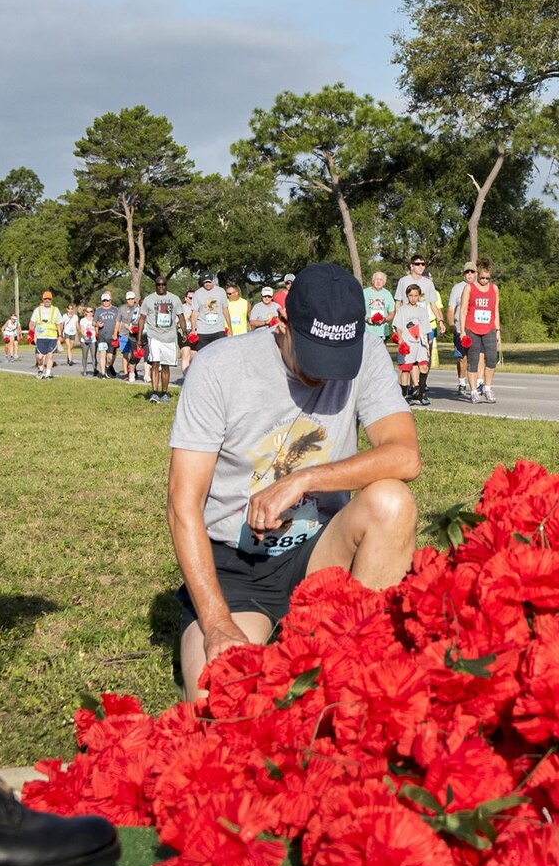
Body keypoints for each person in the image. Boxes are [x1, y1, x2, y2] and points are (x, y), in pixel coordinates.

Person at [167, 262, 418, 700]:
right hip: (237, 568)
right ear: (280, 323)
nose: (324, 375)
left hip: (319, 551)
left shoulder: (368, 353)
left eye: (337, 360)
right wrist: (218, 624)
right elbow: (182, 505)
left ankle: (359, 652)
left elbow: (405, 455)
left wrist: (305, 479)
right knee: (221, 697)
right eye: (313, 356)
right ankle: (245, 629)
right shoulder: (218, 368)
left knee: (392, 501)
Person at [460, 259, 503, 404]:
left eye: (487, 278)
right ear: (478, 275)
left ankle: (487, 387)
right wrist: (462, 331)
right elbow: (464, 310)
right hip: (472, 329)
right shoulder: (469, 288)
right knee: (473, 360)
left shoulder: (494, 289)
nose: (484, 281)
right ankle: (473, 391)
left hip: (489, 328)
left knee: (491, 359)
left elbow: (495, 310)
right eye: (482, 278)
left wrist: (498, 330)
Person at [391, 283, 435, 406]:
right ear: (407, 296)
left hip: (420, 343)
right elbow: (398, 327)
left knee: (423, 367)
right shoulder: (402, 310)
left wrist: (426, 345)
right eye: (410, 296)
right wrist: (400, 340)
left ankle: (421, 393)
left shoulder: (422, 311)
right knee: (406, 370)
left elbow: (426, 329)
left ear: (419, 296)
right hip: (407, 343)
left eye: (416, 296)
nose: (413, 298)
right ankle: (404, 395)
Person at [142, 275, 183, 403]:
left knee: (165, 366)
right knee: (155, 363)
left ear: (166, 285)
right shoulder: (149, 299)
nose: (161, 287)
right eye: (158, 285)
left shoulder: (174, 299)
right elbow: (141, 319)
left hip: (169, 337)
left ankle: (164, 393)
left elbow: (180, 316)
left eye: (163, 284)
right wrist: (139, 338)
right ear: (155, 286)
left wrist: (185, 331)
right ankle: (154, 393)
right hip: (154, 336)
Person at [447, 265, 476, 399]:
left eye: (472, 271)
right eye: (467, 272)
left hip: (476, 328)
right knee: (462, 358)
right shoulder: (457, 288)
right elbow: (451, 308)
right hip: (460, 328)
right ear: (463, 274)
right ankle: (462, 382)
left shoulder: (480, 287)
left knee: (476, 358)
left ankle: (477, 384)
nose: (469, 274)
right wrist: (451, 324)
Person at [30, 291, 64, 379]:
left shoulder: (55, 310)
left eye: (49, 299)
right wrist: (31, 334)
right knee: (40, 357)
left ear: (51, 300)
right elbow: (32, 322)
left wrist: (60, 335)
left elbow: (59, 323)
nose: (47, 300)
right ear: (43, 299)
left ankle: (48, 373)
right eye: (45, 299)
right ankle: (41, 369)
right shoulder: (37, 310)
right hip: (41, 337)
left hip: (52, 337)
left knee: (50, 355)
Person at [363, 270, 395, 353]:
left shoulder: (387, 294)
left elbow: (392, 313)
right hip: (367, 331)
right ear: (373, 281)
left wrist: (384, 319)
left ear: (384, 282)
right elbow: (358, 312)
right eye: (376, 279)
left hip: (382, 332)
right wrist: (367, 319)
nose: (378, 282)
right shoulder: (364, 293)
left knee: (380, 356)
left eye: (381, 280)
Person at [94, 292, 121, 378]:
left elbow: (119, 322)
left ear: (110, 300)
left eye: (107, 300)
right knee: (102, 354)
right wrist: (97, 324)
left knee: (110, 357)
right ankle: (102, 373)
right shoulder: (98, 310)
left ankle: (107, 367)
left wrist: (117, 332)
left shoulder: (115, 310)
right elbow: (93, 322)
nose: (105, 302)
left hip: (112, 336)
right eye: (104, 300)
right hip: (102, 336)